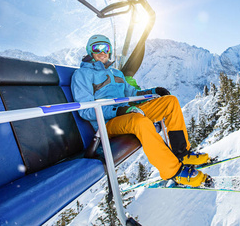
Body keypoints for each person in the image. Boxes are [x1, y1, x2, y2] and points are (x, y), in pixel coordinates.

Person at [71, 34, 210, 187]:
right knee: (140, 121)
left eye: (106, 48)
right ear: (90, 51)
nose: (102, 52)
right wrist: (118, 110)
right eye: (97, 48)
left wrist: (154, 90)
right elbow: (85, 110)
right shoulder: (81, 75)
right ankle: (173, 171)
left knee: (170, 102)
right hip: (107, 124)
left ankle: (182, 152)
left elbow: (133, 94)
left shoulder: (116, 73)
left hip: (127, 112)